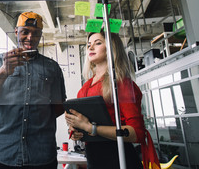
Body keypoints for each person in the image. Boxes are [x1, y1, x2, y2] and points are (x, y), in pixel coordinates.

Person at [0, 12, 66, 169]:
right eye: (25, 32)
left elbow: (59, 106)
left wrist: (38, 116)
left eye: (35, 33)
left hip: (41, 153)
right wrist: (4, 71)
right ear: (16, 32)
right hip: (2, 152)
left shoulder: (52, 68)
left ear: (40, 35)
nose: (29, 37)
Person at [65, 30, 160, 169]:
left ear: (111, 48)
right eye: (88, 44)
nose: (90, 47)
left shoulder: (121, 83)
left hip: (118, 157)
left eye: (97, 43)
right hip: (94, 158)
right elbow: (84, 125)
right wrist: (76, 130)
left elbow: (136, 133)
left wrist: (91, 128)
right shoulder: (84, 88)